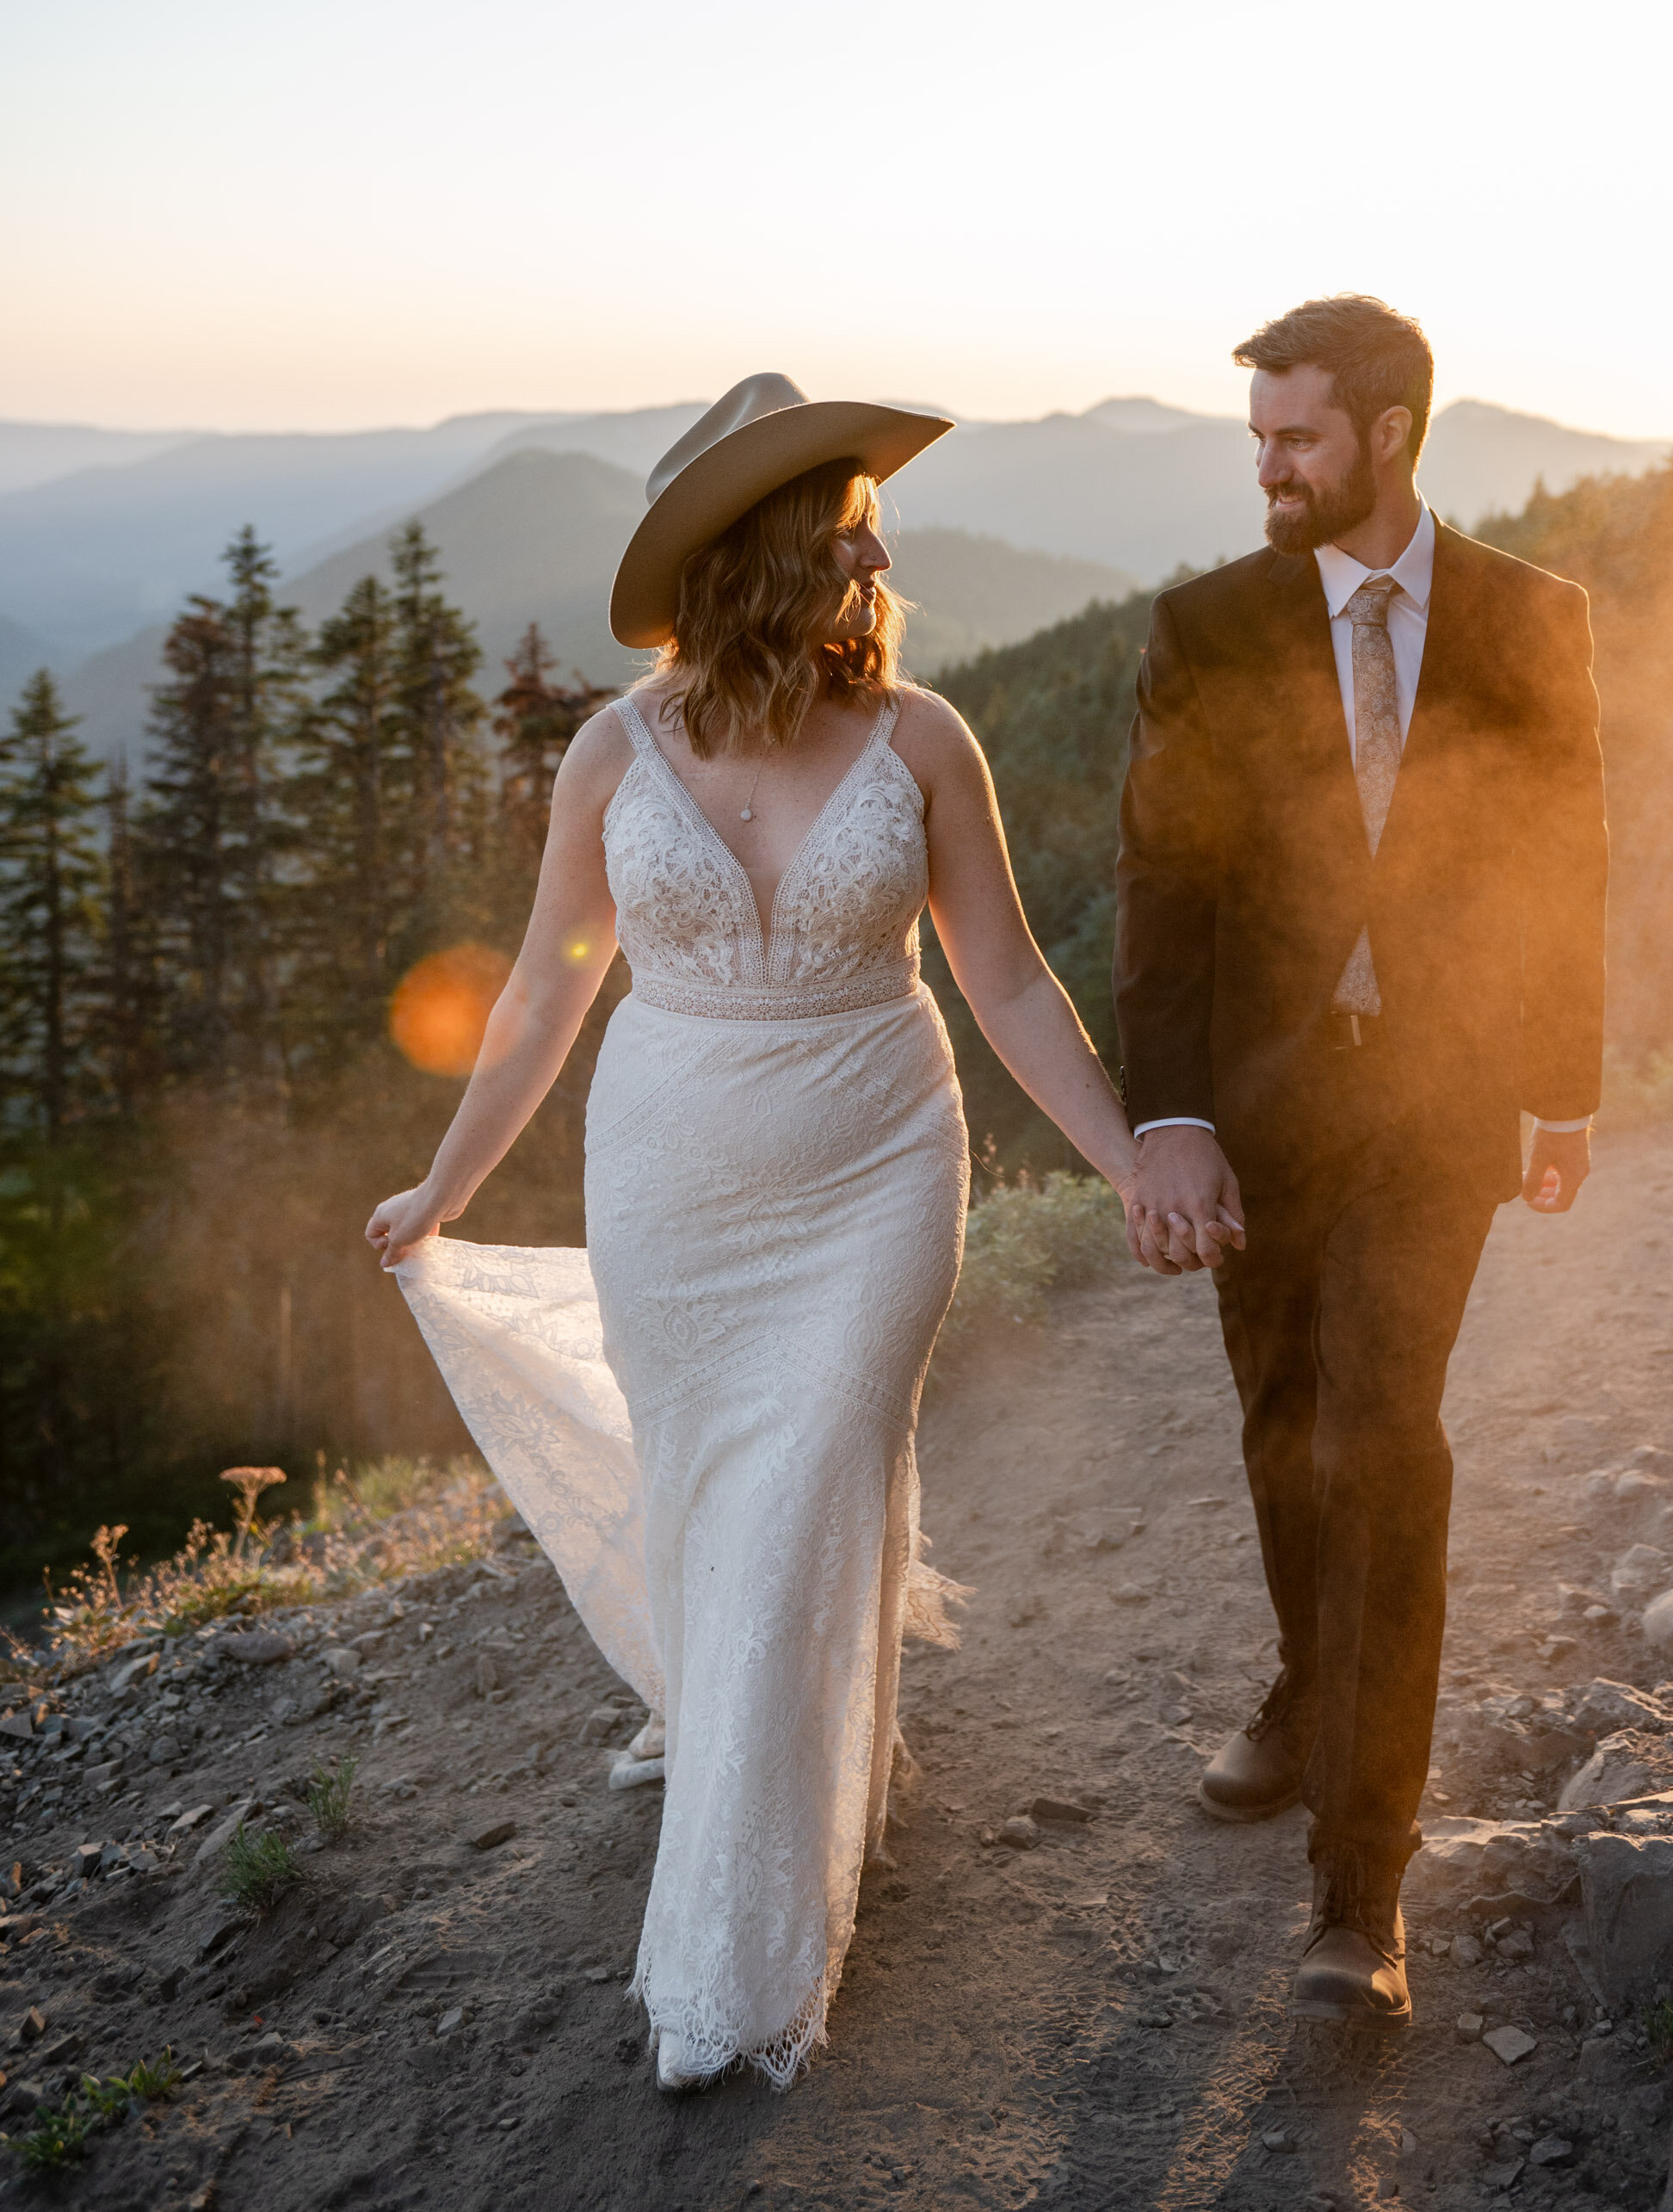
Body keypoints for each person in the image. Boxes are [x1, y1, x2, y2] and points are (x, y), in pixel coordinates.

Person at [367, 372, 1139, 2091]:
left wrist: (1122, 1155)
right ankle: (771, 1737)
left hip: (877, 1168)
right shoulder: (609, 753)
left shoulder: (927, 739)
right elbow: (542, 999)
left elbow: (1002, 978)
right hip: (670, 1191)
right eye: (842, 520)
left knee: (809, 1484)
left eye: (869, 518)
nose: (876, 546)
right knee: (719, 1492)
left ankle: (735, 1956)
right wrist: (444, 1187)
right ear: (765, 552)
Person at [1114, 294, 1607, 2028]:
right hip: (1258, 1107)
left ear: (1389, 432)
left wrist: (1564, 1081)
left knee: (1380, 1433)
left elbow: (1567, 854)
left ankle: (1359, 1886)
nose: (1270, 468)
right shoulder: (1206, 625)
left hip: (1440, 1106)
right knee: (1277, 1421)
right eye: (1255, 439)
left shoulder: (1531, 619)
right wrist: (1164, 1115)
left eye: (1296, 438)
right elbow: (1163, 894)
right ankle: (1307, 1680)